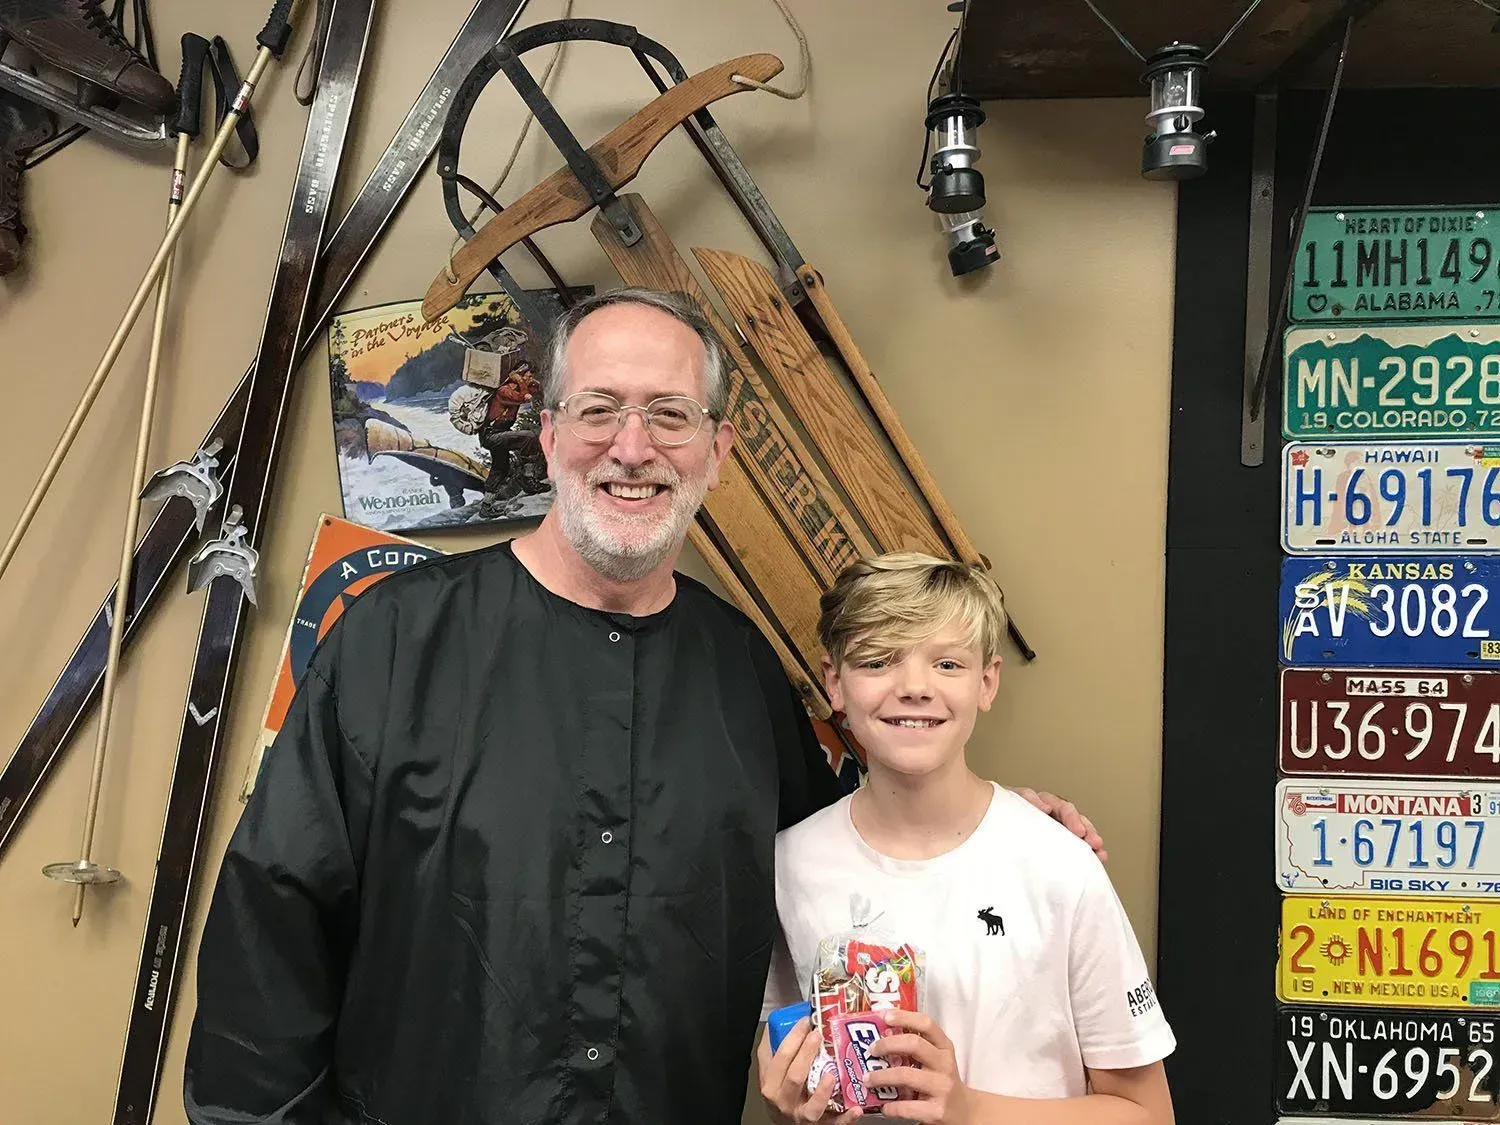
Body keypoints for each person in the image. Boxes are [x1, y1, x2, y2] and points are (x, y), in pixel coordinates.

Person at [182, 288, 1104, 1125]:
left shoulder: (743, 673)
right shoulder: (391, 644)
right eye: (598, 411)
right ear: (547, 435)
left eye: (670, 415)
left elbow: (851, 857)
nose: (632, 447)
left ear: (717, 449)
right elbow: (270, 939)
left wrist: (988, 822)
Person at [759, 552, 1175, 1125]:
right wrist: (797, 1106)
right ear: (835, 681)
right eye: (878, 661)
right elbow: (804, 1076)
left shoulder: (1059, 865)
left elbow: (1147, 1115)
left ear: (987, 682)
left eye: (948, 665)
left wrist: (969, 1108)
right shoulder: (789, 867)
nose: (914, 688)